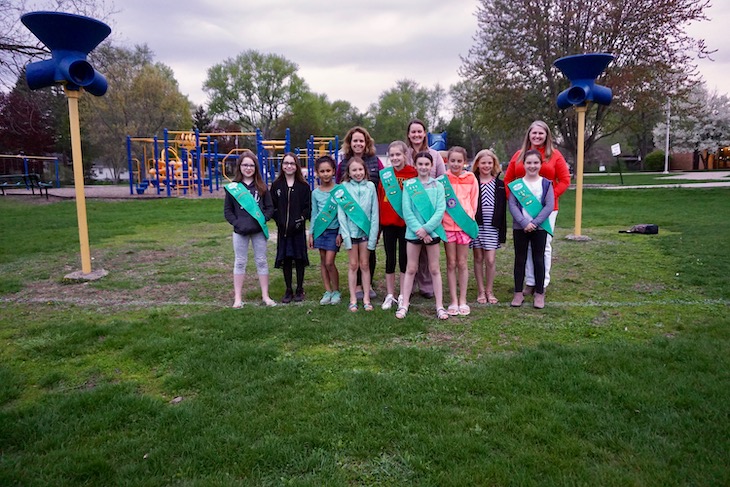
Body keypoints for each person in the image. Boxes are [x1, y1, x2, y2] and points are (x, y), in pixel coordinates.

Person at [504, 120, 570, 295]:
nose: (537, 136)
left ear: (547, 135)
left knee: (544, 245)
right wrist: (514, 201)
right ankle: (530, 282)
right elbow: (508, 180)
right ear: (529, 135)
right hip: (522, 209)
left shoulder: (555, 155)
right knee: (526, 246)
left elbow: (565, 180)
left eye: (541, 133)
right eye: (534, 133)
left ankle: (542, 283)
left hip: (548, 209)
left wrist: (548, 198)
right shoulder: (519, 155)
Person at [398, 151, 448, 320]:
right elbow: (407, 210)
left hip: (432, 232)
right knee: (411, 268)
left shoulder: (438, 186)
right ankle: (404, 304)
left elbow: (440, 210)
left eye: (427, 164)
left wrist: (427, 229)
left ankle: (439, 306)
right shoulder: (409, 185)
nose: (424, 167)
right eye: (420, 164)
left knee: (434, 269)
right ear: (416, 165)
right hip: (413, 232)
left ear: (431, 166)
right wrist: (419, 231)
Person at [223, 150, 277, 308]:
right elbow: (228, 211)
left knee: (261, 261)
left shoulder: (262, 187)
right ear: (240, 167)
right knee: (240, 262)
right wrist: (237, 223)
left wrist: (263, 219)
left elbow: (269, 208)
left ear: (256, 167)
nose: (248, 168)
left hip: (258, 231)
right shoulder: (233, 188)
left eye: (251, 165)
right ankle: (238, 298)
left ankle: (266, 296)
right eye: (245, 165)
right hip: (240, 231)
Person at [336, 126, 383, 299]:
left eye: (361, 140)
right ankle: (356, 285)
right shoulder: (342, 164)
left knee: (369, 251)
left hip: (370, 212)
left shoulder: (375, 161)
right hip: (350, 218)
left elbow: (383, 182)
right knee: (354, 257)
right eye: (355, 140)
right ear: (350, 142)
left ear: (366, 142)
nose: (358, 143)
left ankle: (367, 283)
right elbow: (338, 191)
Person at [508, 149, 554, 309]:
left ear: (541, 164)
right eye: (529, 162)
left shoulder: (546, 184)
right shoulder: (517, 185)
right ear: (524, 164)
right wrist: (523, 222)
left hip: (539, 228)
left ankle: (539, 293)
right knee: (519, 260)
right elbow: (512, 205)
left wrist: (535, 223)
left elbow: (549, 206)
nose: (532, 166)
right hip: (520, 228)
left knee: (538, 259)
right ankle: (518, 293)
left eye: (536, 162)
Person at [405, 118, 446, 299]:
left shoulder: (435, 155)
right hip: (410, 207)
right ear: (408, 134)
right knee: (412, 248)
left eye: (419, 131)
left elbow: (442, 178)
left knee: (429, 250)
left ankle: (427, 284)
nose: (416, 135)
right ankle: (411, 284)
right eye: (413, 132)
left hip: (431, 208)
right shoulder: (404, 153)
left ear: (425, 133)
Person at [334, 156, 379, 312]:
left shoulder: (371, 187)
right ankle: (353, 298)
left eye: (360, 169)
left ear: (365, 170)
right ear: (349, 172)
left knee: (365, 265)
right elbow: (341, 215)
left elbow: (375, 214)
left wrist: (373, 237)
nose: (358, 173)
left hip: (366, 233)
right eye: (354, 170)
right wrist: (345, 236)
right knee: (353, 265)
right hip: (351, 234)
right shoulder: (343, 188)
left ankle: (366, 298)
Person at [439, 146, 479, 316]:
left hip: (464, 226)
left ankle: (463, 300)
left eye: (459, 161)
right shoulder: (442, 180)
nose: (455, 164)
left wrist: (468, 221)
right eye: (452, 160)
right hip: (447, 226)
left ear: (465, 162)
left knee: (462, 263)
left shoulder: (471, 179)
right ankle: (453, 301)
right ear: (447, 161)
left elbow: (473, 202)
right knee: (451, 263)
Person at [378, 140, 417, 310]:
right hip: (388, 224)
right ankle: (390, 294)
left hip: (406, 224)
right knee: (389, 259)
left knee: (404, 259)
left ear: (405, 155)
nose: (395, 157)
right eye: (392, 155)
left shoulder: (413, 174)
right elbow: (380, 199)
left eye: (398, 154)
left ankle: (402, 294)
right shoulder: (385, 175)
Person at [271, 152, 311, 303]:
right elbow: (272, 206)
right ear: (282, 166)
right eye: (286, 163)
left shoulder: (303, 186)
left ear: (297, 166)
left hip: (298, 230)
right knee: (286, 259)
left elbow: (308, 208)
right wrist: (279, 219)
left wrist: (300, 219)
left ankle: (300, 288)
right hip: (284, 231)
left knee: (299, 259)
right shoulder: (276, 185)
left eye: (292, 163)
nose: (289, 166)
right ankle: (288, 289)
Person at [470, 149, 507, 305]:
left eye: (489, 163)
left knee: (490, 260)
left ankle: (489, 290)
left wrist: (502, 231)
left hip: (492, 226)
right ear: (478, 164)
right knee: (478, 257)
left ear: (494, 165)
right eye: (483, 163)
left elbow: (503, 210)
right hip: (477, 225)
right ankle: (480, 291)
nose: (486, 166)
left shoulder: (499, 184)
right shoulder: (472, 181)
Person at [309, 155, 342, 305]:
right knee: (323, 262)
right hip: (320, 231)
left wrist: (341, 233)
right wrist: (311, 233)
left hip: (334, 231)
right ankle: (327, 291)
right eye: (322, 171)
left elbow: (343, 214)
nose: (325, 174)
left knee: (329, 262)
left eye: (328, 170)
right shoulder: (315, 193)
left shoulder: (339, 190)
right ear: (317, 173)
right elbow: (314, 214)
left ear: (334, 171)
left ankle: (336, 291)